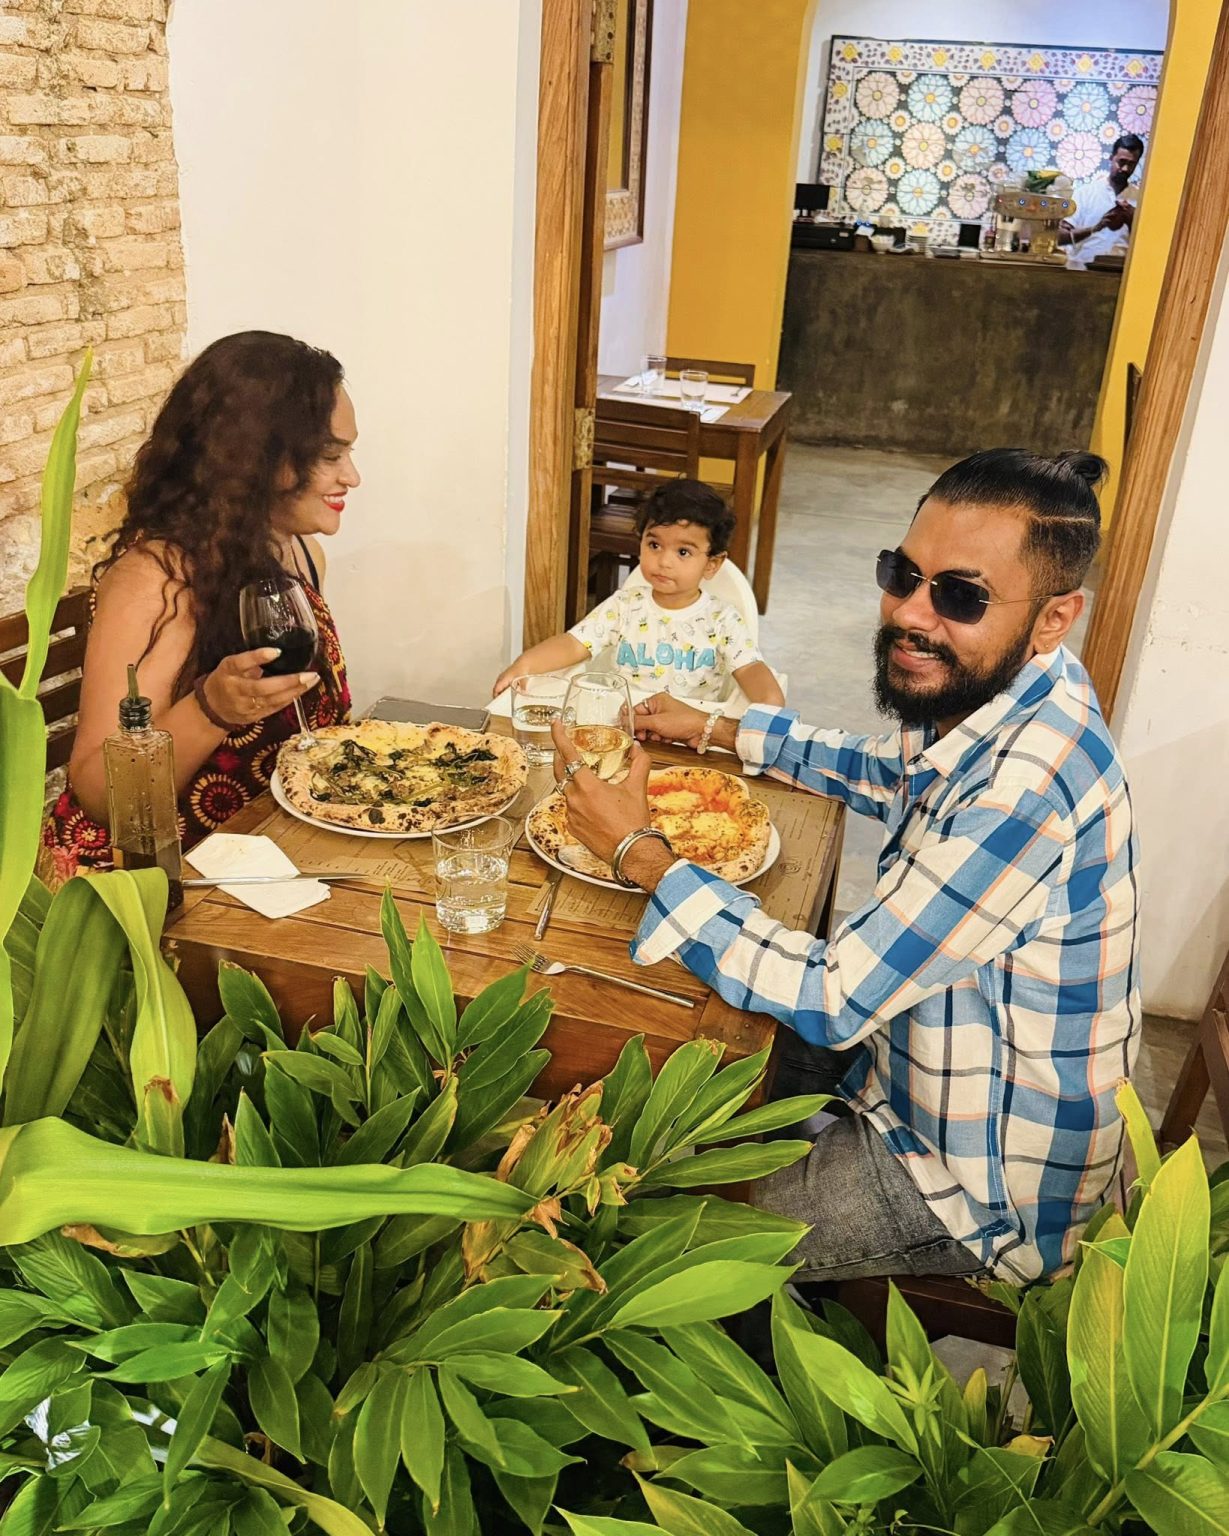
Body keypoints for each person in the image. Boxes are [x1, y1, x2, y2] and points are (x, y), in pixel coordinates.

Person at [551, 449, 1141, 1285]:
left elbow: (832, 997)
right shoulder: (1007, 690)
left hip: (974, 1179)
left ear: (1055, 617)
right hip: (902, 1059)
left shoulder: (1028, 789)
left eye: (960, 596)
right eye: (902, 574)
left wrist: (637, 850)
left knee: (655, 1243)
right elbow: (883, 771)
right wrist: (715, 728)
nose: (910, 613)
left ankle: (753, 1338)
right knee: (653, 1060)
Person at [45, 330, 359, 877]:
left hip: (266, 853)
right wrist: (212, 709)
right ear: (255, 461)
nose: (351, 476)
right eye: (330, 456)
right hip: (151, 878)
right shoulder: (156, 583)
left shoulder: (301, 555)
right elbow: (98, 793)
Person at [492, 479, 784, 708]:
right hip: (624, 727)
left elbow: (749, 668)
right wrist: (525, 664)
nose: (664, 561)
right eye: (654, 545)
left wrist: (770, 703)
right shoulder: (624, 605)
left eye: (683, 552)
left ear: (712, 564)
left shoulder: (721, 619)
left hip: (690, 735)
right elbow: (573, 644)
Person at [1060, 134, 1144, 270]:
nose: (1125, 169)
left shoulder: (1141, 199)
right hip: (1080, 270)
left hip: (1120, 274)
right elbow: (1061, 237)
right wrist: (1096, 228)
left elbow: (1150, 244)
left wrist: (1131, 219)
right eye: (1122, 162)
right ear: (1111, 158)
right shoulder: (1085, 193)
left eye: (1131, 164)